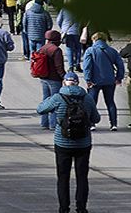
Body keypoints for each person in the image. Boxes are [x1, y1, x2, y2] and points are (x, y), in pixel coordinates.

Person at [36, 71, 101, 213]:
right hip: (83, 143)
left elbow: (40, 109)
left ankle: (64, 208)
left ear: (64, 82)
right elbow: (96, 118)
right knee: (82, 177)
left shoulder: (58, 97)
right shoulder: (87, 98)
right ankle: (81, 208)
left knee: (63, 177)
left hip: (62, 142)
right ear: (78, 83)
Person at [79, 33, 126, 130]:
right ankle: (113, 124)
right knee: (110, 102)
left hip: (94, 81)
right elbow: (120, 65)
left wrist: (88, 79)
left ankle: (92, 124)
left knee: (92, 102)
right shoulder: (112, 51)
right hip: (109, 80)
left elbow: (87, 67)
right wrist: (119, 78)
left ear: (94, 40)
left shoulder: (90, 50)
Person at [32, 30, 67, 131]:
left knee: (46, 100)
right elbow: (59, 67)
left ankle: (44, 123)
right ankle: (53, 124)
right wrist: (64, 77)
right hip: (54, 79)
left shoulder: (42, 48)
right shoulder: (56, 50)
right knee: (56, 102)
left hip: (43, 77)